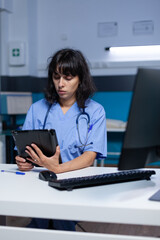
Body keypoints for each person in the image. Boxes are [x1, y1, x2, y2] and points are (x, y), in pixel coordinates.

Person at [15, 48, 107, 230]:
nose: (60, 84)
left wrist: (58, 168)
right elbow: (24, 150)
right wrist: (23, 162)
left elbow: (89, 157)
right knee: (40, 225)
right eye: (56, 77)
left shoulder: (95, 111)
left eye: (68, 77)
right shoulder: (37, 109)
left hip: (75, 179)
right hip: (40, 180)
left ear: (80, 79)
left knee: (61, 223)